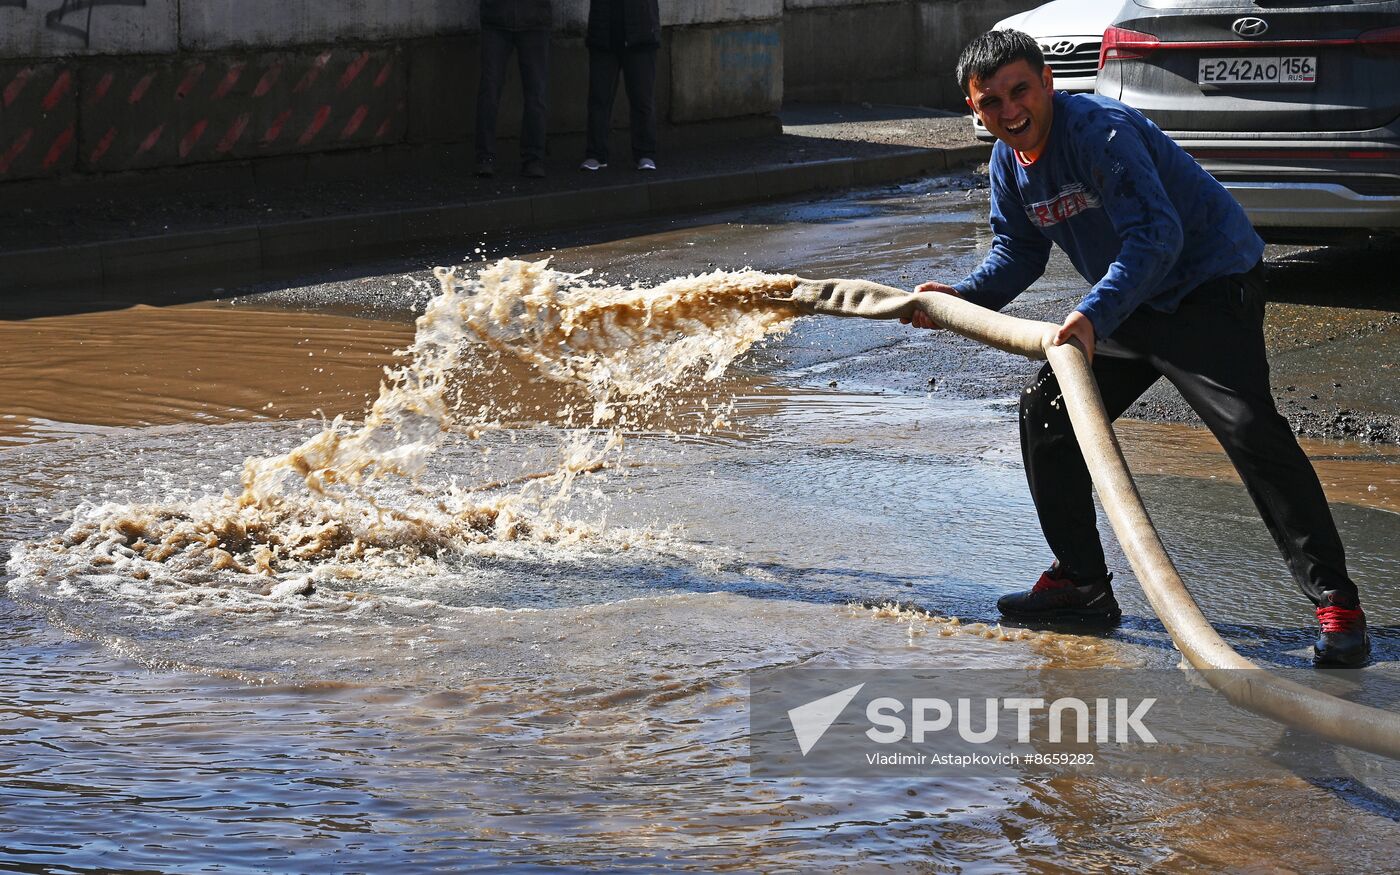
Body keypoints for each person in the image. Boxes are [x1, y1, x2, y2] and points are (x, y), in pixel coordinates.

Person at [909, 29, 1369, 666]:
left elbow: (1158, 237)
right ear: (973, 109)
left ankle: (1337, 603)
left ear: (1048, 83)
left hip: (1206, 286)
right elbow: (1017, 255)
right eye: (991, 103)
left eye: (1021, 91)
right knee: (1048, 412)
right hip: (1128, 302)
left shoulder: (1101, 132)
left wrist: (1093, 313)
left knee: (1250, 430)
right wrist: (956, 300)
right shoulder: (1006, 163)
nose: (1010, 111)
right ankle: (1082, 583)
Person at [475, 0, 552, 179]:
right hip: (501, 19)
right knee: (490, 90)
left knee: (535, 94)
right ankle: (485, 157)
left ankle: (533, 158)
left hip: (532, 21)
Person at [580, 0, 660, 172]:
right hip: (604, 34)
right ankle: (595, 153)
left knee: (642, 99)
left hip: (641, 33)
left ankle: (645, 153)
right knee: (599, 98)